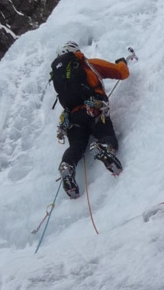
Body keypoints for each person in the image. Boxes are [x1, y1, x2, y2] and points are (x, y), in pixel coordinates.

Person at [50, 42, 130, 199]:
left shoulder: (58, 77)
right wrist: (122, 62)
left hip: (73, 119)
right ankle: (104, 147)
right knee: (106, 135)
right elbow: (121, 73)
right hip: (94, 110)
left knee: (77, 146)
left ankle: (67, 164)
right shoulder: (88, 64)